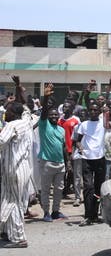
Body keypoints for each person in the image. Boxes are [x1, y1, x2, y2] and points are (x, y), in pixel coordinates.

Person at [0, 101, 34, 248]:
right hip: (24, 169)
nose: (5, 113)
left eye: (7, 111)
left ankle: (19, 238)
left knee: (12, 202)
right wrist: (19, 87)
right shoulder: (26, 122)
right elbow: (26, 111)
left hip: (13, 169)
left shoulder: (12, 125)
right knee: (16, 201)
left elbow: (1, 141)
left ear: (13, 113)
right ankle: (10, 232)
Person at [76, 102, 111, 226]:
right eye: (91, 110)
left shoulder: (103, 123)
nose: (93, 112)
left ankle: (95, 215)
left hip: (100, 158)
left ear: (99, 111)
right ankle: (87, 216)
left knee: (98, 188)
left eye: (96, 110)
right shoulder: (84, 125)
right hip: (87, 159)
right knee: (88, 187)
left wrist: (108, 113)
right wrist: (80, 147)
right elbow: (77, 140)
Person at [38, 84, 68, 223]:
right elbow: (44, 112)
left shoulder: (61, 129)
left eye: (56, 114)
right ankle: (46, 212)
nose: (54, 116)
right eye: (52, 115)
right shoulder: (44, 125)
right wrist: (47, 97)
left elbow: (63, 148)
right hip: (46, 162)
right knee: (45, 190)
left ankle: (55, 211)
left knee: (58, 190)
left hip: (60, 163)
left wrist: (67, 164)